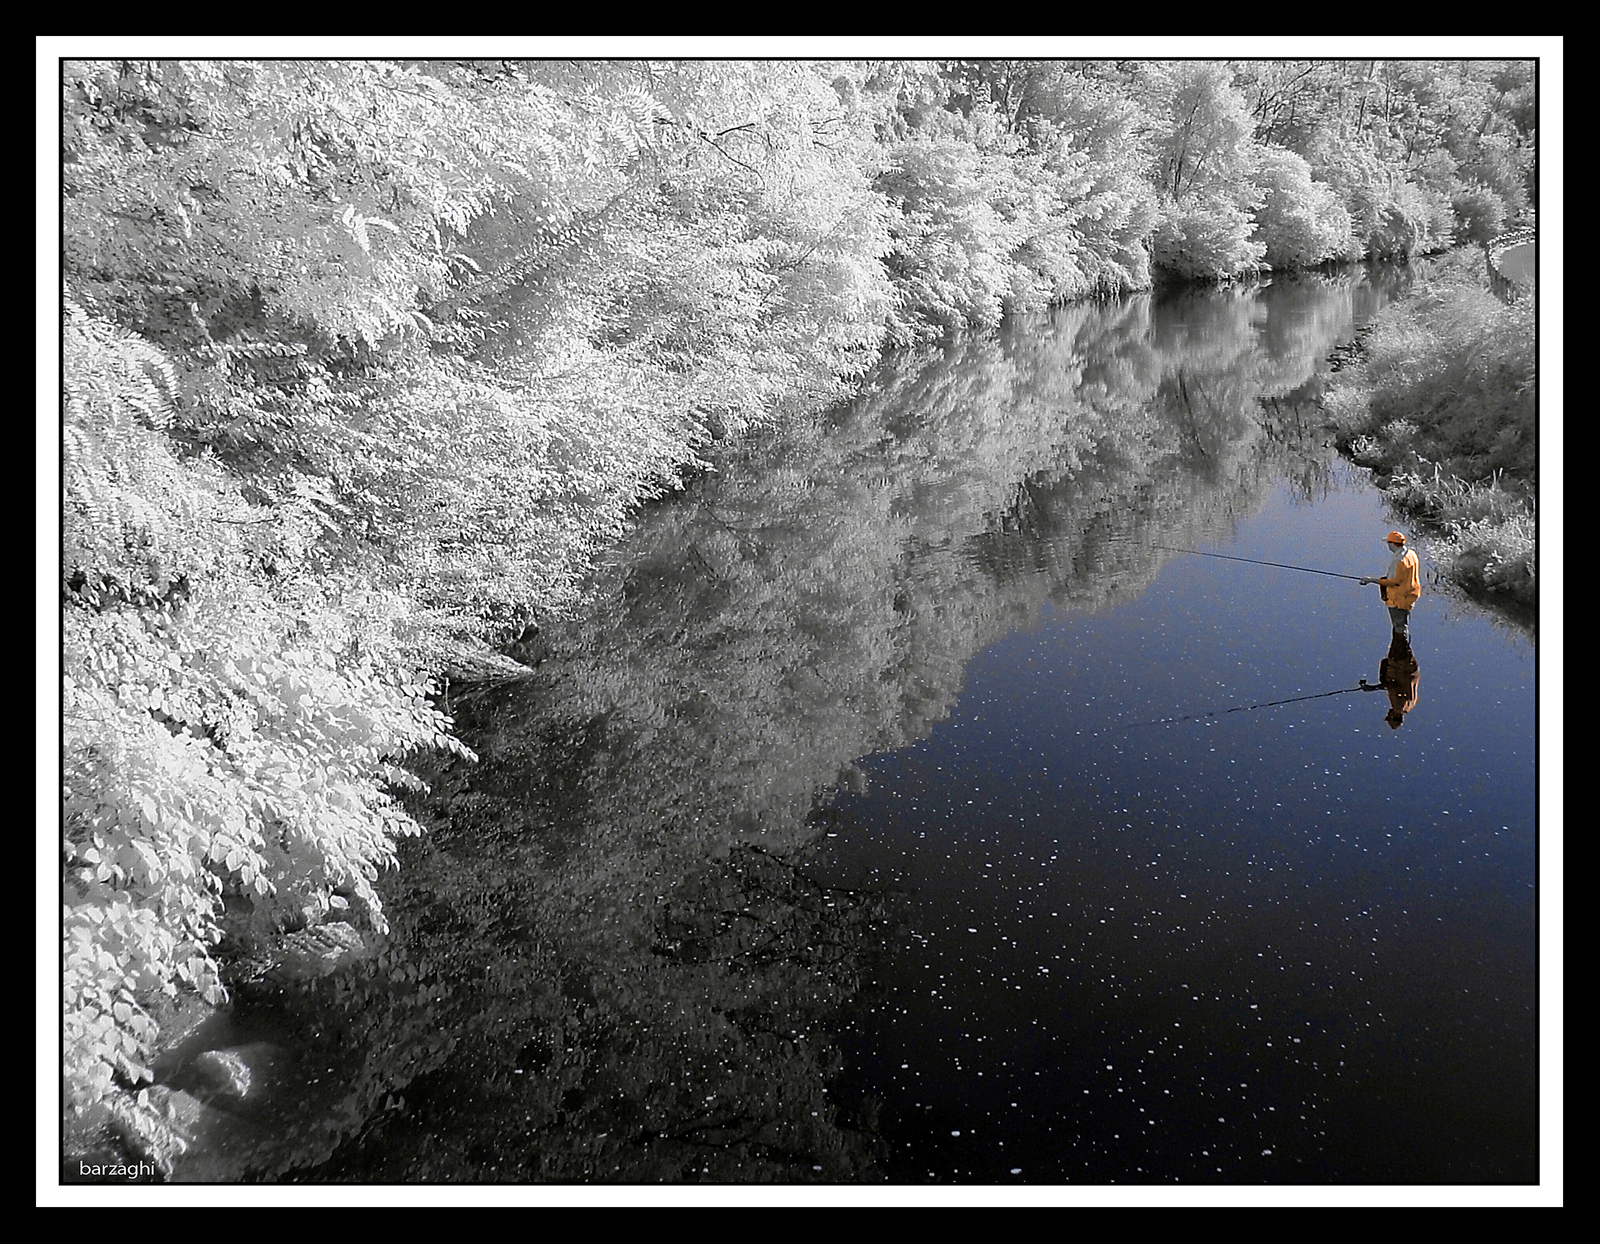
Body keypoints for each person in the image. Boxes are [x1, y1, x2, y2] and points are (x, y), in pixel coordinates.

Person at [1359, 531, 1420, 637]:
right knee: (1403, 621)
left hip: (1399, 599)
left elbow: (1392, 582)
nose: (1388, 545)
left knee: (1398, 625)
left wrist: (1370, 580)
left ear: (1392, 544)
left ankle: (1400, 643)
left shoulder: (1399, 561)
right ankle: (1403, 640)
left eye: (1388, 543)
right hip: (1411, 593)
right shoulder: (1411, 553)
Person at [1359, 631, 1421, 729]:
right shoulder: (1398, 706)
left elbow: (1398, 688)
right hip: (1399, 665)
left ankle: (1402, 626)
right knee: (1398, 634)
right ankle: (1400, 623)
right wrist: (1372, 688)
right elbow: (1393, 687)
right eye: (1389, 717)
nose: (1388, 714)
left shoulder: (1409, 706)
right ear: (1394, 717)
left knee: (1402, 638)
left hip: (1409, 666)